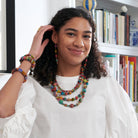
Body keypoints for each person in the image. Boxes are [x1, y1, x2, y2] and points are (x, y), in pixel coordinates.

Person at [0, 7, 138, 138]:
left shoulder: (106, 85)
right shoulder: (33, 85)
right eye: (71, 34)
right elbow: (3, 111)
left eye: (86, 36)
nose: (79, 43)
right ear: (55, 36)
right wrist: (30, 56)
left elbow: (127, 132)